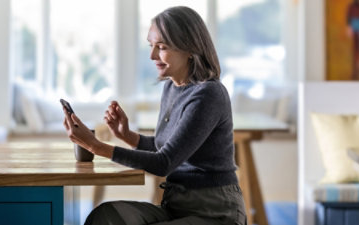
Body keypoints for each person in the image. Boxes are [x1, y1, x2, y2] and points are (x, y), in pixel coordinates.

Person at [63, 6, 247, 225]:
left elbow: (164, 162)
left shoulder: (208, 95)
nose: (152, 56)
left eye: (161, 47)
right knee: (106, 216)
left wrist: (96, 146)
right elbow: (167, 147)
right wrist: (127, 136)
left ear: (190, 49)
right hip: (175, 206)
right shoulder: (172, 88)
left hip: (215, 212)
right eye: (151, 46)